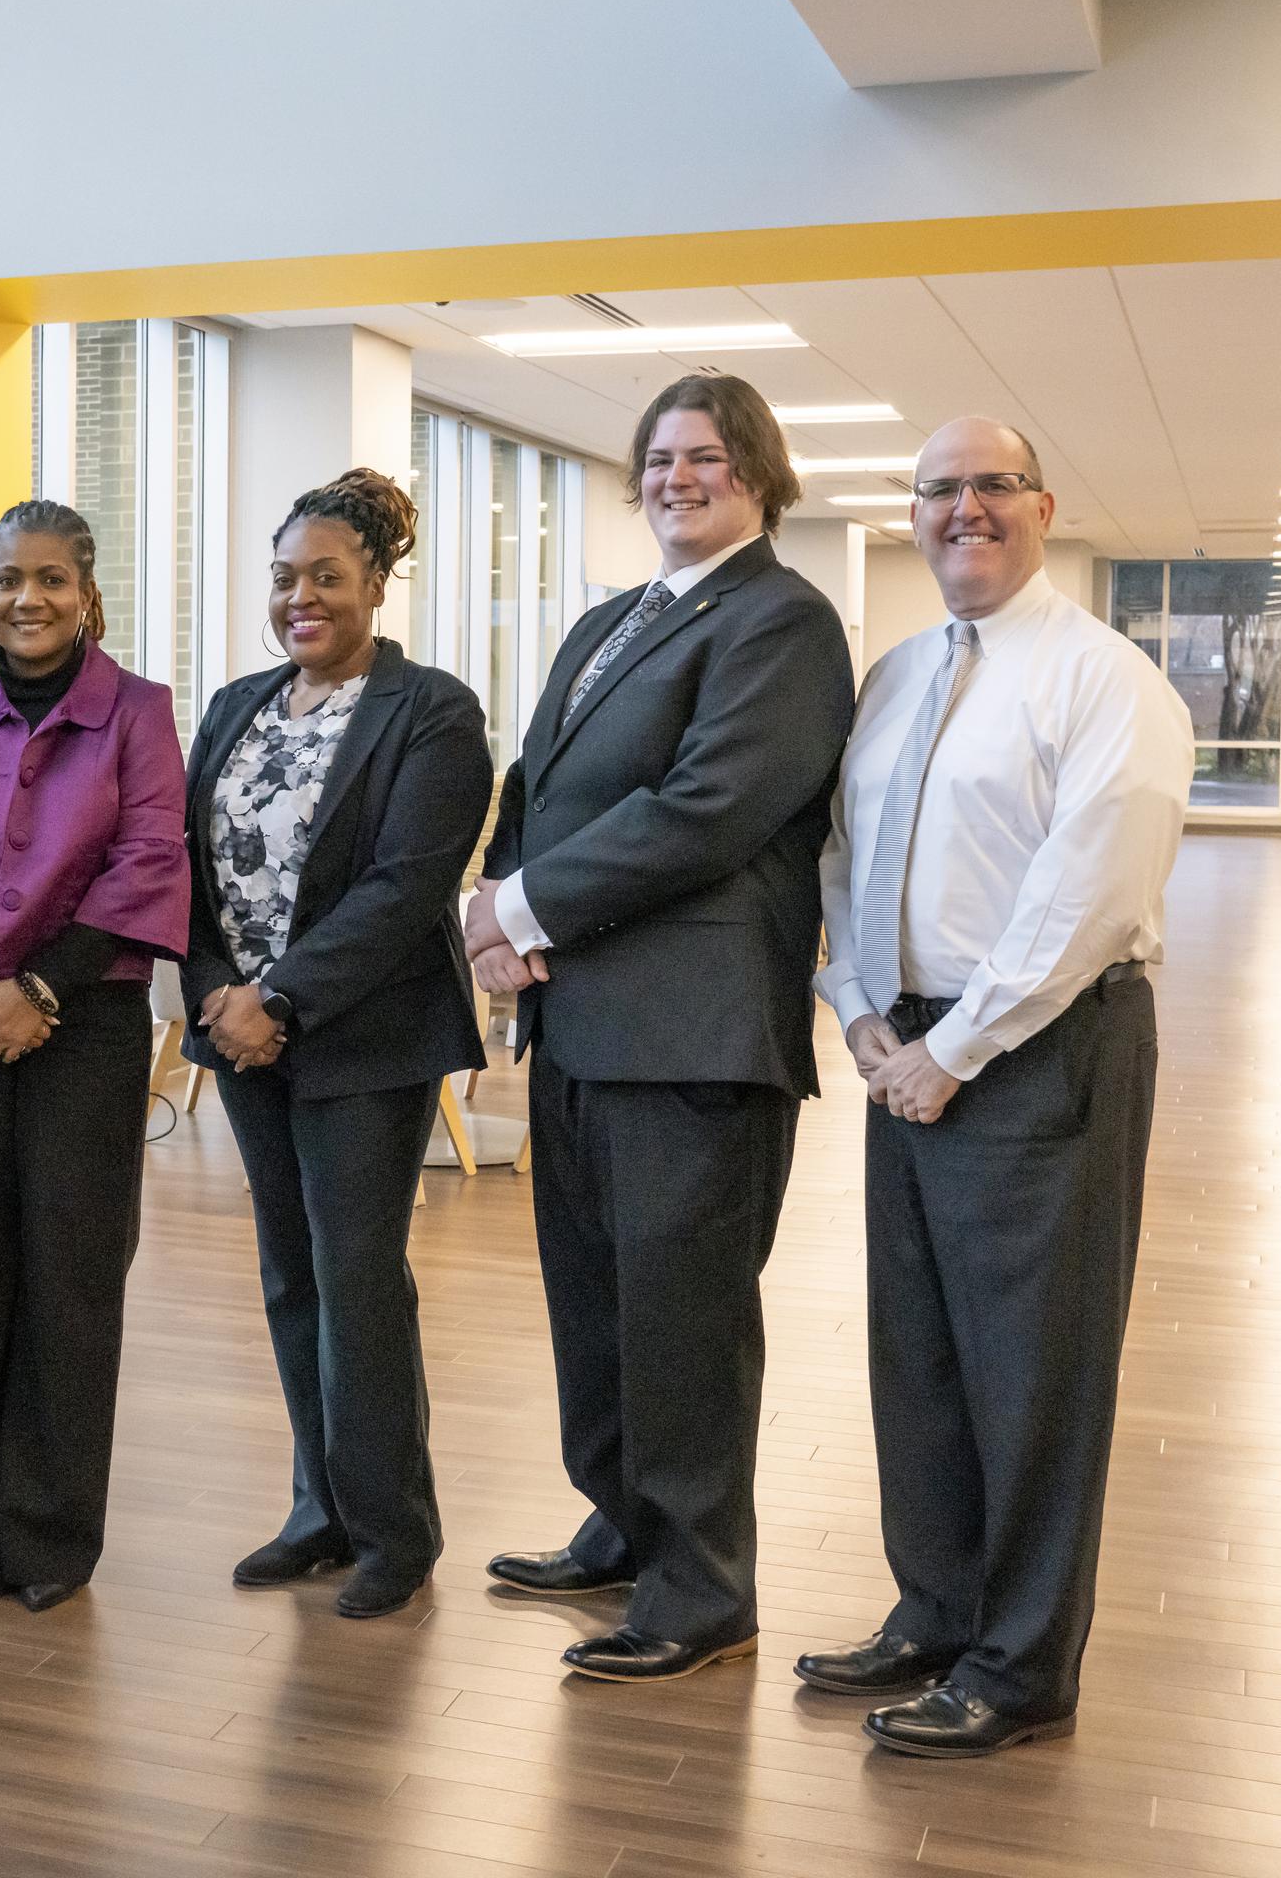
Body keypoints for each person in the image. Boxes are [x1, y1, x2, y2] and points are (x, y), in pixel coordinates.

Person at [799, 417, 1191, 1759]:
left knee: (1035, 1370)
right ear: (909, 514)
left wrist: (952, 1047)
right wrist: (855, 1006)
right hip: (899, 1043)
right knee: (919, 1357)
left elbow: (1088, 896)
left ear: (1042, 503)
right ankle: (937, 1611)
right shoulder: (900, 674)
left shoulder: (1106, 681)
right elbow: (846, 854)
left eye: (992, 487)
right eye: (939, 490)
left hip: (1041, 1050)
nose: (965, 508)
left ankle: (1020, 1666)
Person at [466, 373, 855, 1683]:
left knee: (684, 1314)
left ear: (759, 473)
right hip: (583, 1023)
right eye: (660, 458)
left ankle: (701, 1586)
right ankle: (624, 1521)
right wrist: (511, 917)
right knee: (598, 1303)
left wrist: (522, 900)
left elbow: (709, 809)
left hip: (696, 1036)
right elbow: (539, 785)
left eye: (707, 457)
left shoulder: (783, 624)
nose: (679, 479)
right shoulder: (612, 621)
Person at [182, 468, 491, 1621]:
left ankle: (393, 1528)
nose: (301, 596)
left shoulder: (434, 711)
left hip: (366, 1039)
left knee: (358, 1280)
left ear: (374, 583)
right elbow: (189, 865)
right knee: (290, 1276)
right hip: (245, 1038)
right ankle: (317, 1506)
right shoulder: (235, 706)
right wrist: (217, 989)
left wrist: (283, 999)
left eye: (326, 575)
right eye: (283, 577)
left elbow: (407, 885)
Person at [0, 499, 190, 1613]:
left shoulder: (139, 712)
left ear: (87, 590)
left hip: (87, 1023)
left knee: (68, 1273)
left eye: (52, 578)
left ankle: (52, 1537)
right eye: (10, 577)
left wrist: (42, 989)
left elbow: (151, 857)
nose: (28, 599)